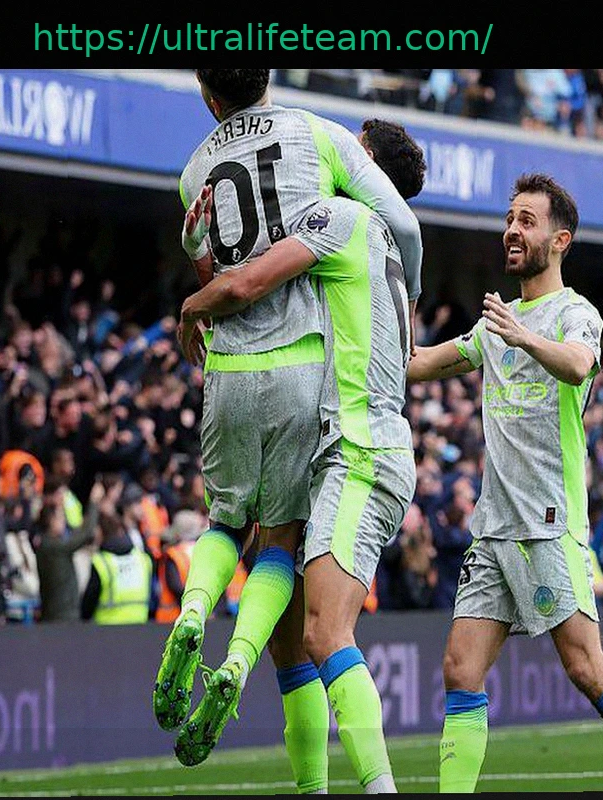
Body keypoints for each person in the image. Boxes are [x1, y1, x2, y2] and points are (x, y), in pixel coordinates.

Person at [153, 67, 421, 792]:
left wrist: (194, 295)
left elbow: (227, 276)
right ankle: (235, 662)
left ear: (208, 94)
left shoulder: (194, 172)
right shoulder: (319, 143)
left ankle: (194, 614)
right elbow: (402, 226)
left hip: (230, 370)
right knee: (282, 566)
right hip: (308, 381)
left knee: (228, 526)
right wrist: (416, 298)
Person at [406, 173, 603, 792]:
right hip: (493, 530)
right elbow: (417, 365)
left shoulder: (574, 314)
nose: (511, 230)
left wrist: (523, 335)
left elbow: (579, 366)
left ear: (560, 240)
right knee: (460, 670)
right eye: (510, 219)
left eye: (526, 221)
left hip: (547, 524)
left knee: (587, 669)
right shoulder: (493, 327)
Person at [36, 479, 103, 623]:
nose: (63, 521)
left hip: (58, 613)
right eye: (60, 517)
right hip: (61, 615)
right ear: (50, 521)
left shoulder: (45, 543)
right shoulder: (53, 547)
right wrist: (94, 503)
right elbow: (84, 534)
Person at [80, 503, 154, 624]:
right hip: (140, 624)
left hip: (107, 628)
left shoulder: (102, 563)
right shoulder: (143, 559)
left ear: (100, 533)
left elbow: (87, 606)